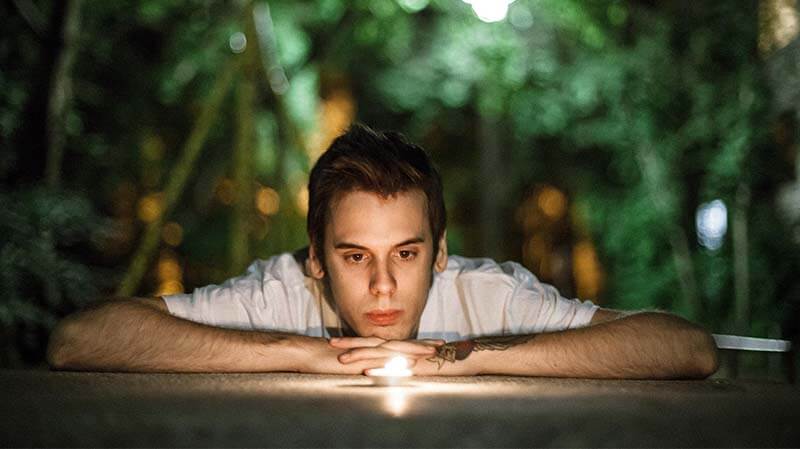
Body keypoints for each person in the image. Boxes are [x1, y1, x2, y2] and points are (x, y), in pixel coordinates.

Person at [47, 124, 719, 378]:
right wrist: (303, 351)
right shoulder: (282, 290)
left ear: (439, 252)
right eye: (353, 255)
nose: (383, 287)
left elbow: (687, 347)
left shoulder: (488, 293)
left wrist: (462, 359)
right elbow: (79, 339)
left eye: (404, 252)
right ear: (314, 257)